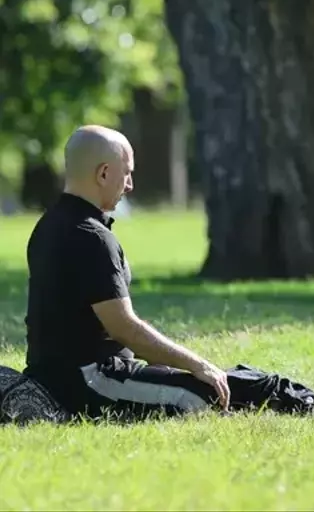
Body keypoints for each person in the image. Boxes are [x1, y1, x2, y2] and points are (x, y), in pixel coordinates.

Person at [23, 124, 235, 420]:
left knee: (228, 381)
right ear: (104, 174)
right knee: (207, 397)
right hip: (88, 380)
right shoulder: (90, 235)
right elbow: (124, 328)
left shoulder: (49, 224)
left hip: (54, 374)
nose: (130, 185)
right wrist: (197, 364)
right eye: (127, 173)